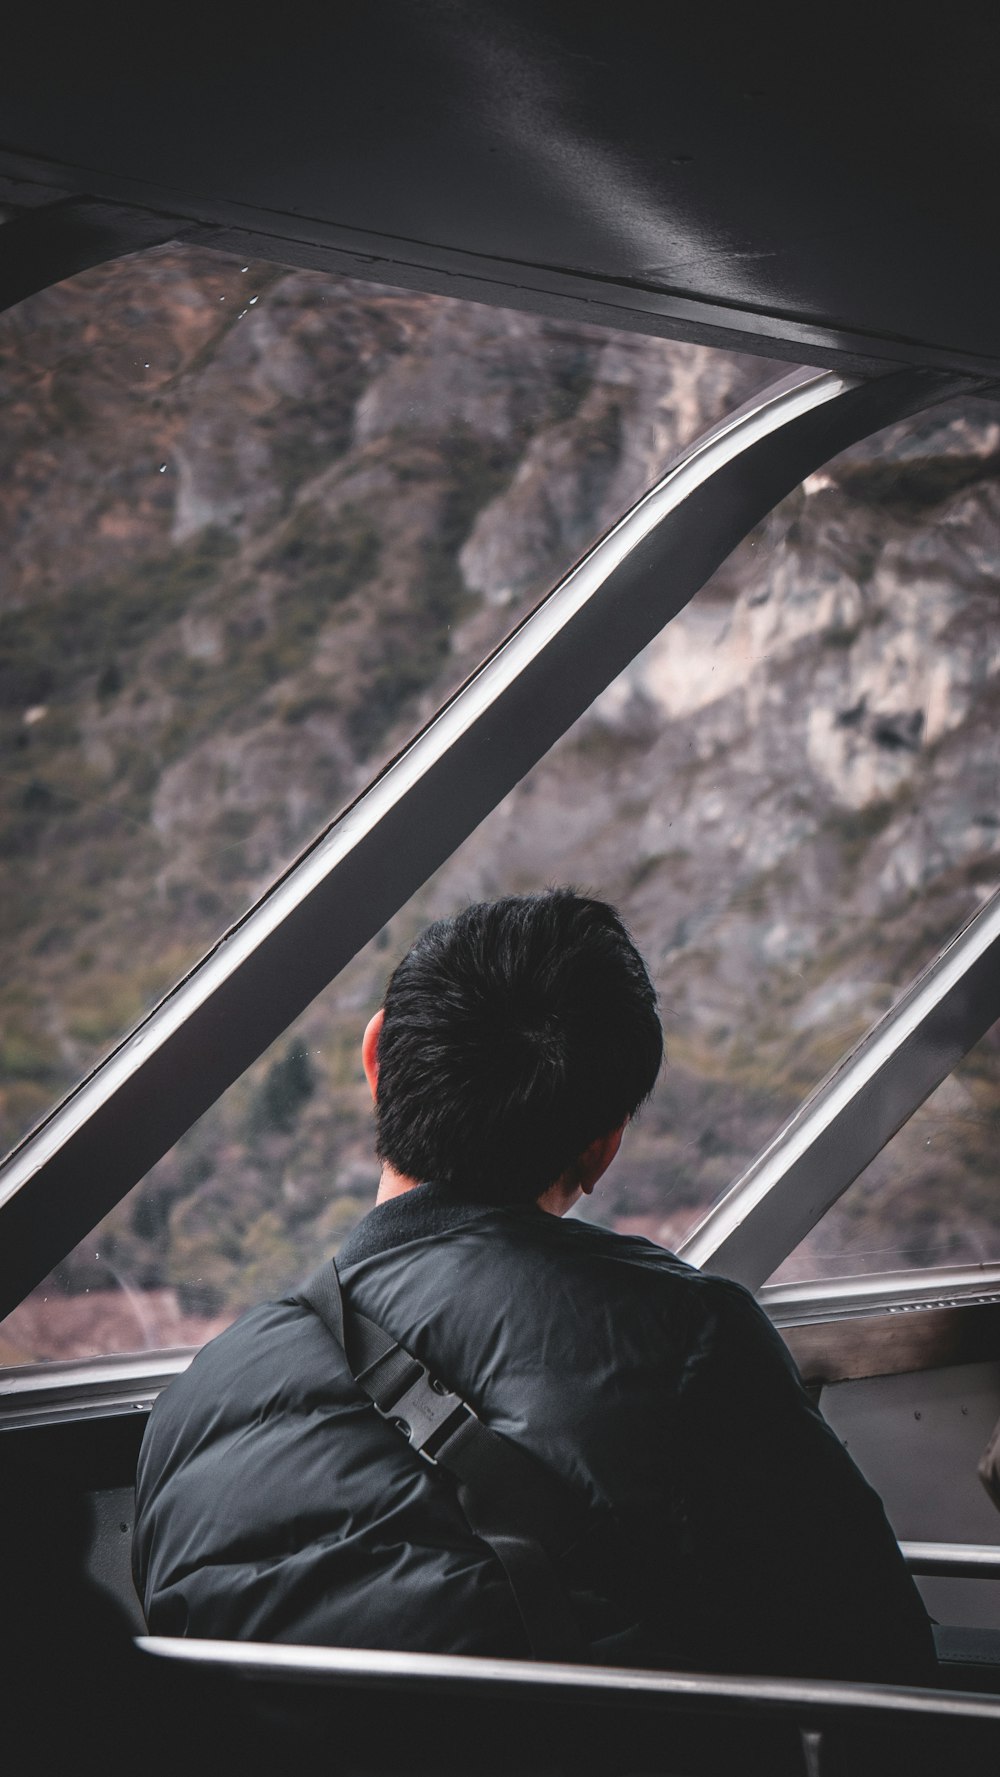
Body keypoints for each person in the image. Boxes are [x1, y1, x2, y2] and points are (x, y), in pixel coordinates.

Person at [133, 889, 935, 1683]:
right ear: (602, 1149)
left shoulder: (191, 1409)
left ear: (376, 1060)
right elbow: (884, 1653)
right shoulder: (685, 1337)